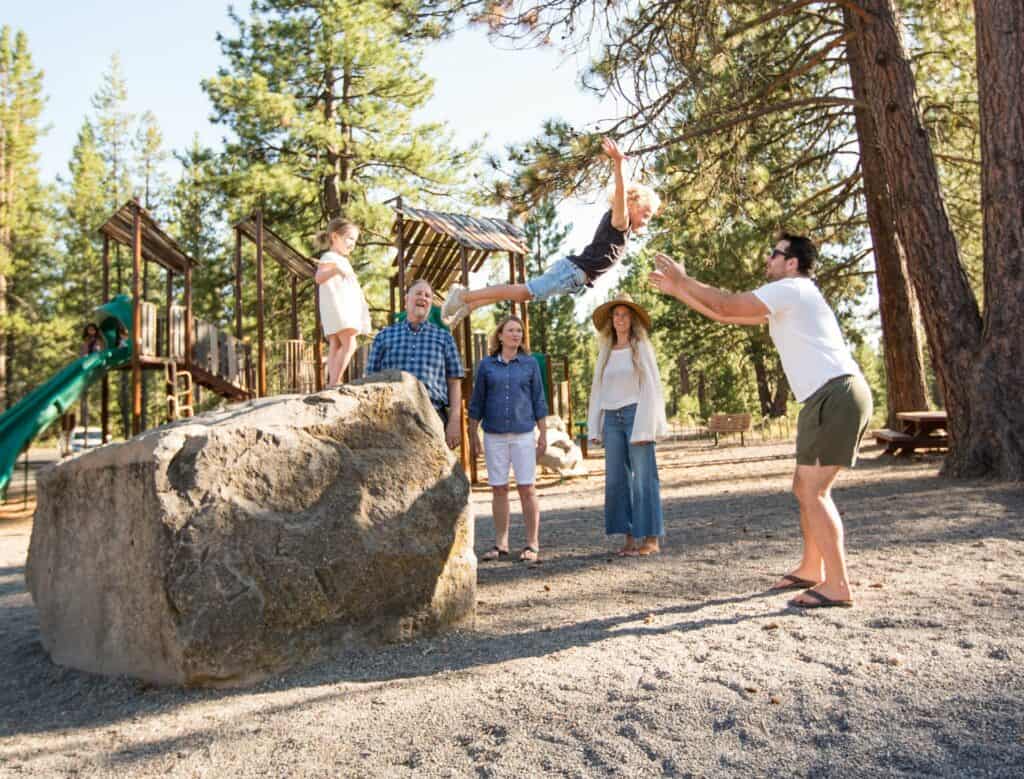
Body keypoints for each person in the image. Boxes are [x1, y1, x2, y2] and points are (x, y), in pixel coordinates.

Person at [649, 234, 872, 608]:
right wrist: (678, 292)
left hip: (835, 395)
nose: (768, 258)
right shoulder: (787, 297)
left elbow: (726, 301)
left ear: (792, 263)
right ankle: (811, 567)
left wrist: (685, 280)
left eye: (775, 253)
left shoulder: (793, 289)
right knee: (804, 488)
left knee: (814, 492)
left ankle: (838, 585)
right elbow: (724, 313)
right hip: (824, 397)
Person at [440, 137, 660, 328]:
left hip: (573, 277)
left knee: (524, 294)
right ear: (632, 205)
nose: (647, 221)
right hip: (572, 272)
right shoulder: (620, 223)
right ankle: (464, 296)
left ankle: (471, 304)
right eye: (646, 214)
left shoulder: (622, 227)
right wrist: (618, 163)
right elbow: (621, 193)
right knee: (524, 292)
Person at [587, 293, 668, 556]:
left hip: (636, 415)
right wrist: (594, 426)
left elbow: (651, 387)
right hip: (612, 419)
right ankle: (629, 537)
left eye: (624, 314)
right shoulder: (607, 351)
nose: (620, 319)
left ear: (632, 319)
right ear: (611, 320)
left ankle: (651, 539)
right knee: (617, 480)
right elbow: (598, 389)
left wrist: (647, 425)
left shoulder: (640, 347)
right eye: (616, 314)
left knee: (644, 478)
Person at [468, 316, 548, 563]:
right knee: (499, 488)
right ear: (500, 336)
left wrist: (543, 433)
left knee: (527, 488)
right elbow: (477, 402)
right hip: (493, 436)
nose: (516, 335)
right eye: (511, 330)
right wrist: (473, 435)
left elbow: (538, 400)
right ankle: (500, 544)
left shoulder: (530, 364)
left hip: (524, 434)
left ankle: (532, 544)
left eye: (519, 331)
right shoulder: (486, 366)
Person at [366, 279, 464, 449]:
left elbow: (454, 382)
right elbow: (369, 381)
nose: (423, 298)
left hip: (433, 416)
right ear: (406, 300)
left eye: (428, 296)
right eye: (418, 293)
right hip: (391, 418)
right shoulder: (384, 336)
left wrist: (454, 422)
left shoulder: (444, 338)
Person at [315, 218, 371, 386]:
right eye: (349, 238)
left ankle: (332, 380)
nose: (353, 243)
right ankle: (335, 380)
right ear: (335, 237)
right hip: (338, 308)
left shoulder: (342, 260)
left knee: (336, 344)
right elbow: (319, 277)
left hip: (340, 308)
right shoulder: (330, 257)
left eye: (354, 240)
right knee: (350, 343)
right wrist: (335, 270)